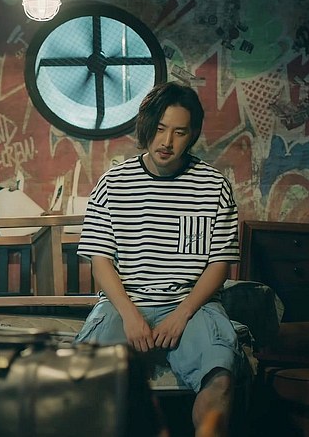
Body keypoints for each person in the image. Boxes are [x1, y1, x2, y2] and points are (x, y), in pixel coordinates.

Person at [73, 82, 241, 436]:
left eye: (180, 132)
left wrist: (182, 314)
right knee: (85, 377)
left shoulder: (213, 185)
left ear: (192, 134)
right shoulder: (113, 183)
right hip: (124, 302)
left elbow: (219, 264)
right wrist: (130, 314)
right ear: (146, 126)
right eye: (161, 128)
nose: (167, 141)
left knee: (221, 379)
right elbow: (100, 259)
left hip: (191, 304)